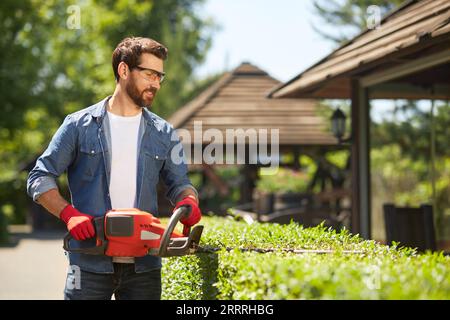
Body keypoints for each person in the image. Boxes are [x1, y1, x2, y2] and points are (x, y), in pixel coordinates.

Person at [26, 37, 201, 300]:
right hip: (88, 262)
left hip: (145, 265)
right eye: (149, 74)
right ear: (123, 70)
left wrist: (188, 201)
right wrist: (69, 214)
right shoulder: (78, 126)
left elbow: (180, 183)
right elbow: (39, 177)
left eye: (160, 76)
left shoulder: (164, 133)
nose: (156, 83)